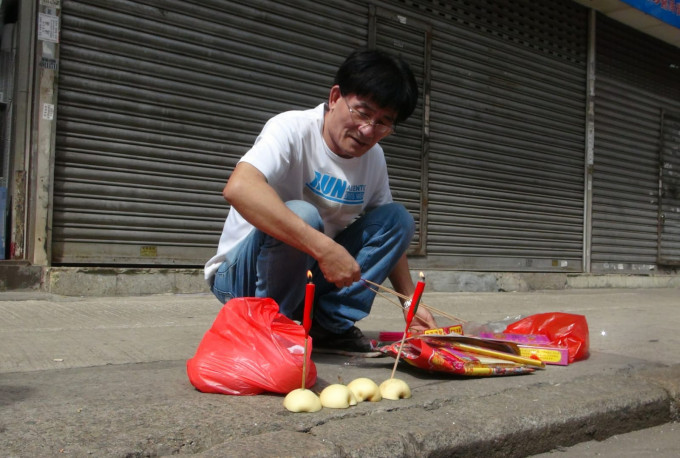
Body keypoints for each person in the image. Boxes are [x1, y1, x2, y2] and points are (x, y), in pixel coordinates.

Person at [204, 48, 437, 354]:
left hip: (308, 277)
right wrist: (325, 248)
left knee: (398, 219)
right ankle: (270, 326)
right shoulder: (291, 129)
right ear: (335, 97)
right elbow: (239, 188)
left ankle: (327, 325)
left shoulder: (373, 158)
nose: (368, 130)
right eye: (362, 112)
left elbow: (391, 233)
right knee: (302, 215)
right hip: (239, 277)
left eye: (383, 123)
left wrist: (410, 301)